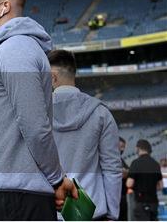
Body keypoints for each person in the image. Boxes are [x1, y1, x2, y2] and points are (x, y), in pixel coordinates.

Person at [0, 0, 77, 221]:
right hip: (14, 192)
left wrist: (56, 179)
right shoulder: (14, 48)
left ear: (4, 6)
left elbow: (34, 125)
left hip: (14, 198)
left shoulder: (15, 49)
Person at [48, 49, 121, 220]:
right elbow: (112, 169)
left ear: (52, 77)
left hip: (53, 212)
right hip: (92, 212)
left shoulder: (38, 114)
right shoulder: (101, 113)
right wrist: (112, 215)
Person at [127, 139, 163, 221]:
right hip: (154, 202)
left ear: (138, 148)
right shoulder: (156, 164)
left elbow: (129, 183)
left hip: (141, 202)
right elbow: (160, 186)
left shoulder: (135, 163)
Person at [120, 137, 130, 221]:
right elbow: (122, 174)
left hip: (122, 196)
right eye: (121, 146)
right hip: (116, 197)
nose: (123, 149)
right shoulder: (111, 158)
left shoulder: (121, 159)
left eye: (124, 147)